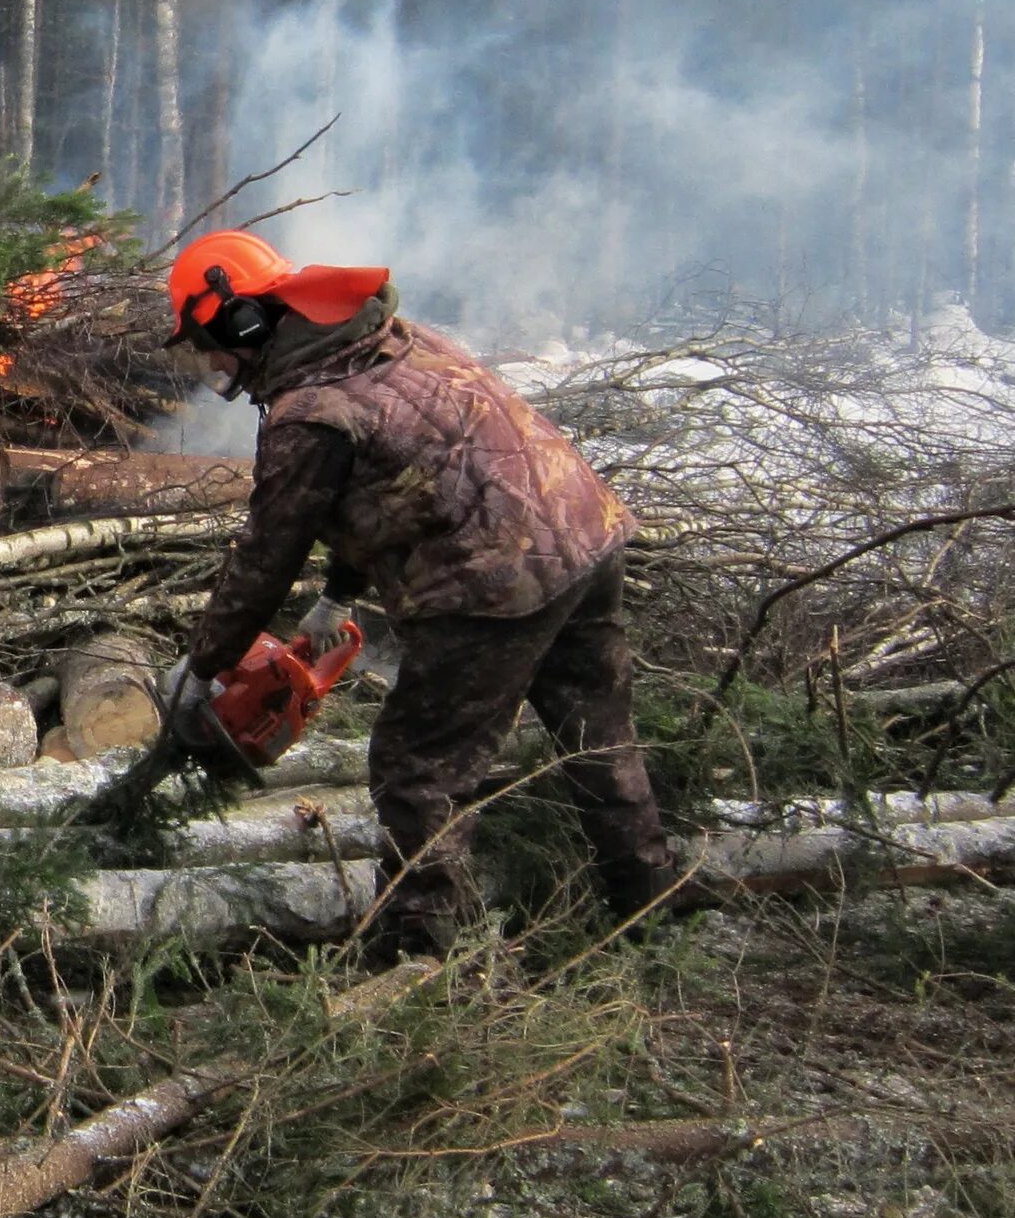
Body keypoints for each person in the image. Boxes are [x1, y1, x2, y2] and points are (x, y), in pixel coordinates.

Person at [153, 229, 677, 958]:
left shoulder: (310, 412)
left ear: (244, 320)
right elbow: (399, 486)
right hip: (585, 536)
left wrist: (204, 667)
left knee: (417, 769)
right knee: (599, 741)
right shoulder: (394, 340)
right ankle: (649, 915)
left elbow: (264, 559)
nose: (214, 363)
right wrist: (336, 595)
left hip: (494, 581)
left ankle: (415, 958)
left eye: (212, 342)